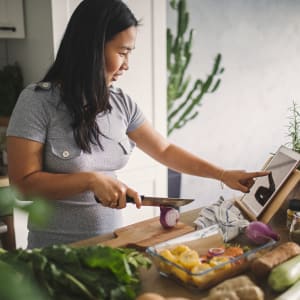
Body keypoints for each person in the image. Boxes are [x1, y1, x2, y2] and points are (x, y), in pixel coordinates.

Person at [6, 0, 268, 249]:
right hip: (54, 254)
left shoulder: (122, 104)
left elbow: (164, 150)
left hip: (112, 246)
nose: (127, 65)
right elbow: (23, 184)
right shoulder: (37, 101)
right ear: (91, 48)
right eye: (122, 52)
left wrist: (223, 175)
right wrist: (89, 180)